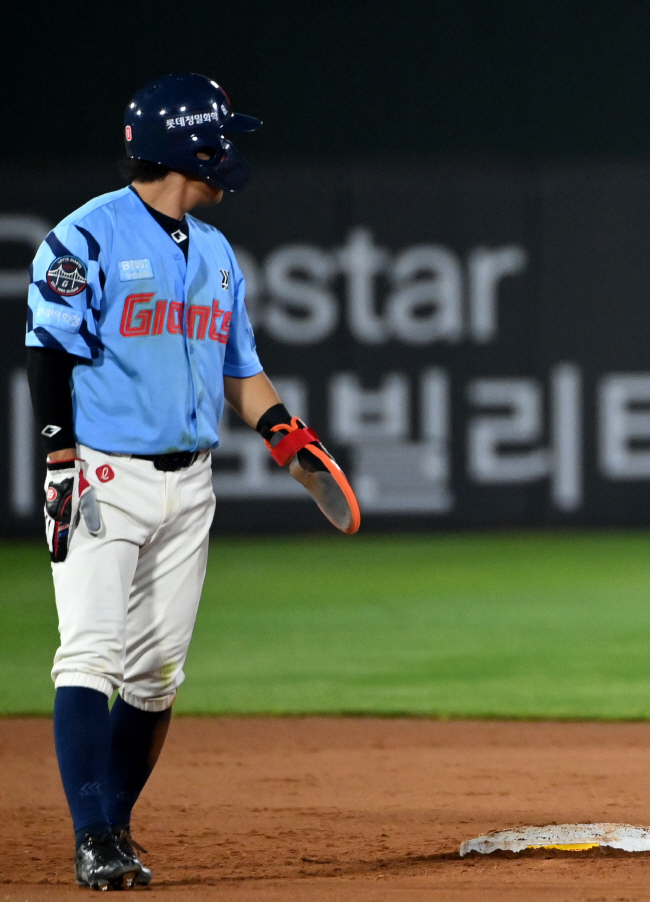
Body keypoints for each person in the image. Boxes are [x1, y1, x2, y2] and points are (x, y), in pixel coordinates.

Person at [26, 72, 359, 891]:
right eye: (221, 139)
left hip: (191, 486)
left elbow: (240, 370)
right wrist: (59, 459)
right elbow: (48, 351)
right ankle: (93, 838)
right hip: (105, 477)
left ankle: (115, 828)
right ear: (191, 149)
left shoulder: (214, 252)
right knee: (90, 654)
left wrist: (286, 435)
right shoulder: (86, 235)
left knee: (157, 674)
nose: (230, 155)